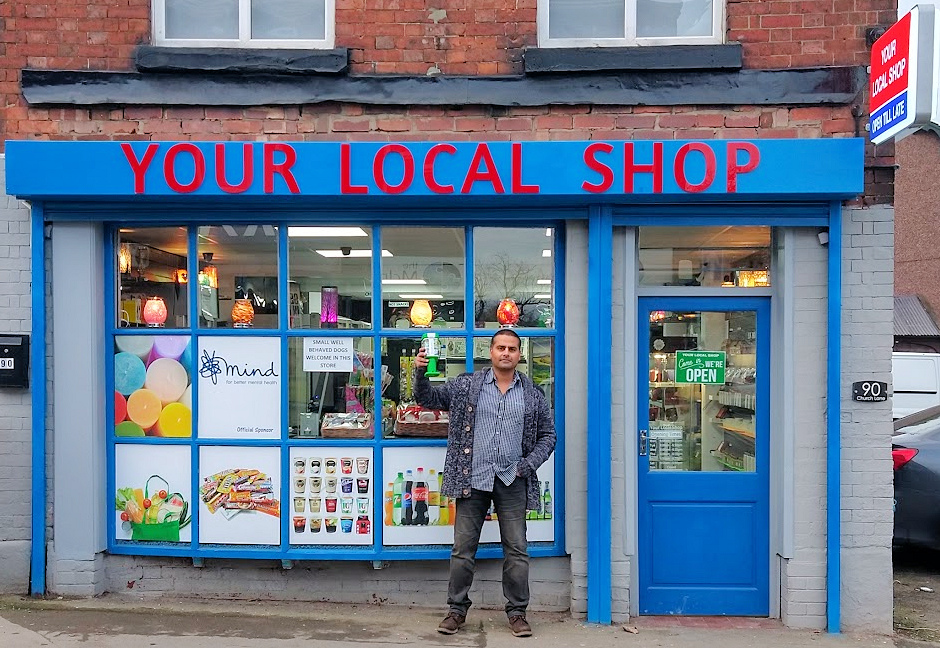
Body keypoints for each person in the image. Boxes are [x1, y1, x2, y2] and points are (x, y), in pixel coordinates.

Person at [414, 329, 556, 638]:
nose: (506, 352)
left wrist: (526, 465)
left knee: (516, 550)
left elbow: (548, 436)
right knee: (463, 549)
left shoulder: (532, 393)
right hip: (473, 478)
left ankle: (517, 613)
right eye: (501, 347)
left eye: (512, 348)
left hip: (512, 479)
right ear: (490, 351)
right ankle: (456, 611)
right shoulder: (467, 385)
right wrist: (420, 372)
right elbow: (427, 398)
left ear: (520, 355)